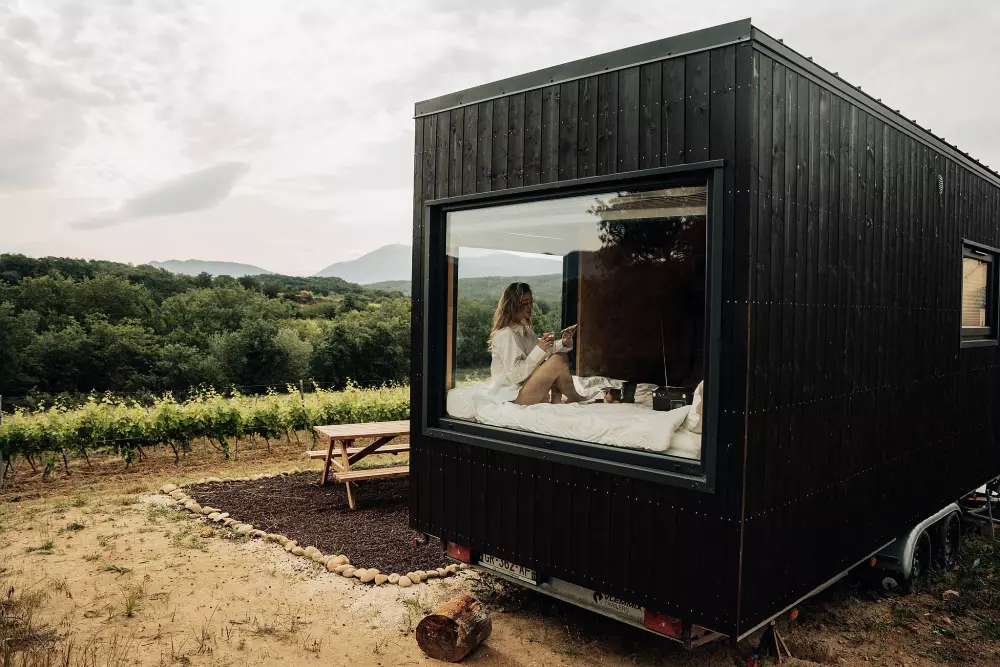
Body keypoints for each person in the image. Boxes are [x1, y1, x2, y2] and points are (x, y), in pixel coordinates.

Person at [488, 282, 588, 405]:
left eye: (531, 302)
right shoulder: (506, 334)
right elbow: (515, 376)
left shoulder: (524, 328)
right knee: (558, 360)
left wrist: (563, 342)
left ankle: (557, 399)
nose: (530, 307)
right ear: (513, 305)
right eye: (525, 303)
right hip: (511, 397)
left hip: (524, 389)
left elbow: (543, 351)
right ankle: (573, 396)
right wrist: (539, 350)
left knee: (561, 356)